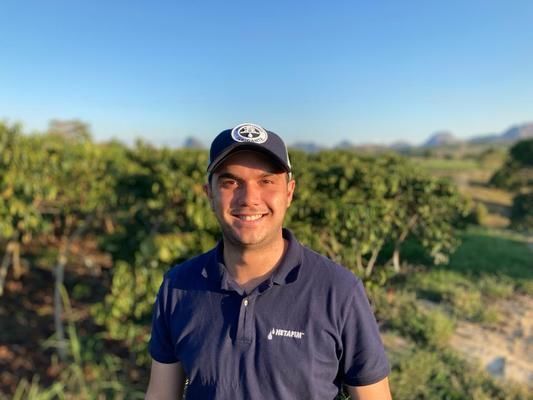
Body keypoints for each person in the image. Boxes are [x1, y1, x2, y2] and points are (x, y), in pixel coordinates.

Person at [145, 123, 392, 400]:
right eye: (230, 182)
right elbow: (160, 394)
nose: (249, 198)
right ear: (210, 194)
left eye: (266, 181)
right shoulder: (177, 287)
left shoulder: (339, 291)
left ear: (289, 192)